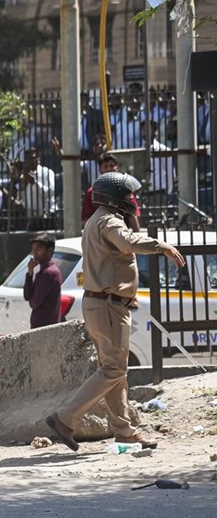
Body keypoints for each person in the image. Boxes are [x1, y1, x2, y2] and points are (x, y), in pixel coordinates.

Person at [45, 172, 185, 453]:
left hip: (104, 303)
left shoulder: (95, 219)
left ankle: (124, 431)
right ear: (116, 197)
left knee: (114, 371)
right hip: (108, 306)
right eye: (128, 195)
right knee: (113, 370)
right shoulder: (109, 220)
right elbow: (127, 242)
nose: (132, 200)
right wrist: (162, 247)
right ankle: (65, 418)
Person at [23, 232, 62, 329]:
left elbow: (34, 303)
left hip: (45, 328)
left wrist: (32, 299)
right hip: (40, 327)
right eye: (33, 249)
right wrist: (30, 273)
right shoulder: (42, 272)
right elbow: (27, 296)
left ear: (49, 251)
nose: (35, 253)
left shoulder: (49, 273)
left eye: (39, 249)